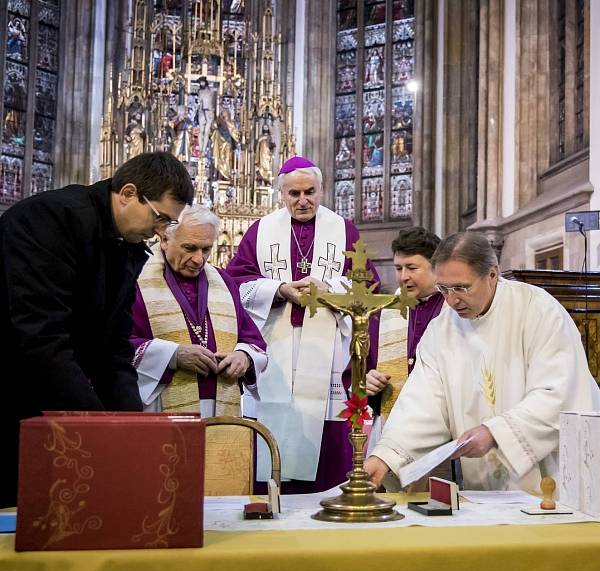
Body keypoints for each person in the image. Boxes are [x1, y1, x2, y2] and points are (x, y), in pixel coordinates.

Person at [0, 151, 193, 508]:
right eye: (160, 217)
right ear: (128, 193)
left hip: (50, 393)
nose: (161, 232)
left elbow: (113, 349)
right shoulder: (52, 219)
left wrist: (135, 430)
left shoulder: (125, 246)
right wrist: (101, 430)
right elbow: (41, 338)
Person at [365, 231, 600, 492]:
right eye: (444, 289)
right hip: (487, 488)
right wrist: (386, 456)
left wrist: (496, 432)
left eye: (461, 287)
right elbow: (423, 403)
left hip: (556, 474)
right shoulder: (442, 330)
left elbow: (558, 392)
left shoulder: (538, 310)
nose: (451, 300)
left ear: (492, 274)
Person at [226, 155, 381, 493]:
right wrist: (279, 289)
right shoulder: (261, 230)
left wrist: (331, 289)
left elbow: (367, 286)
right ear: (281, 194)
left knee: (325, 437)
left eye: (309, 191)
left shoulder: (343, 229)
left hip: (327, 354)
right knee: (273, 423)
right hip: (275, 347)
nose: (302, 200)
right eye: (293, 194)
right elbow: (235, 282)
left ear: (322, 190)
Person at [131, 206, 267, 418]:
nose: (198, 259)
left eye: (206, 250)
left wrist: (244, 357)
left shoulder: (224, 282)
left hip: (221, 408)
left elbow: (253, 340)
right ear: (165, 240)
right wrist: (172, 355)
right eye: (189, 248)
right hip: (159, 406)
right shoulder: (135, 282)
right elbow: (112, 345)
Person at [366, 226, 443, 406]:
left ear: (436, 267)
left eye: (411, 268)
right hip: (392, 416)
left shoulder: (454, 310)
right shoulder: (383, 313)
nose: (403, 277)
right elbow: (361, 372)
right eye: (398, 268)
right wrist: (367, 382)